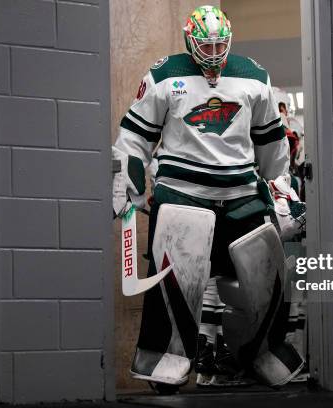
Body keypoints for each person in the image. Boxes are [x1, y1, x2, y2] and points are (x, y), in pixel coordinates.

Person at [112, 5, 305, 393]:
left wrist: (279, 183)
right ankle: (164, 357)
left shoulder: (254, 76)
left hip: (241, 193)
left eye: (220, 44)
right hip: (183, 193)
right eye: (207, 44)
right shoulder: (164, 73)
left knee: (266, 271)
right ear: (190, 39)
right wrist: (127, 177)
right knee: (177, 279)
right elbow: (134, 136)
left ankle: (266, 352)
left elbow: (270, 142)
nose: (214, 52)